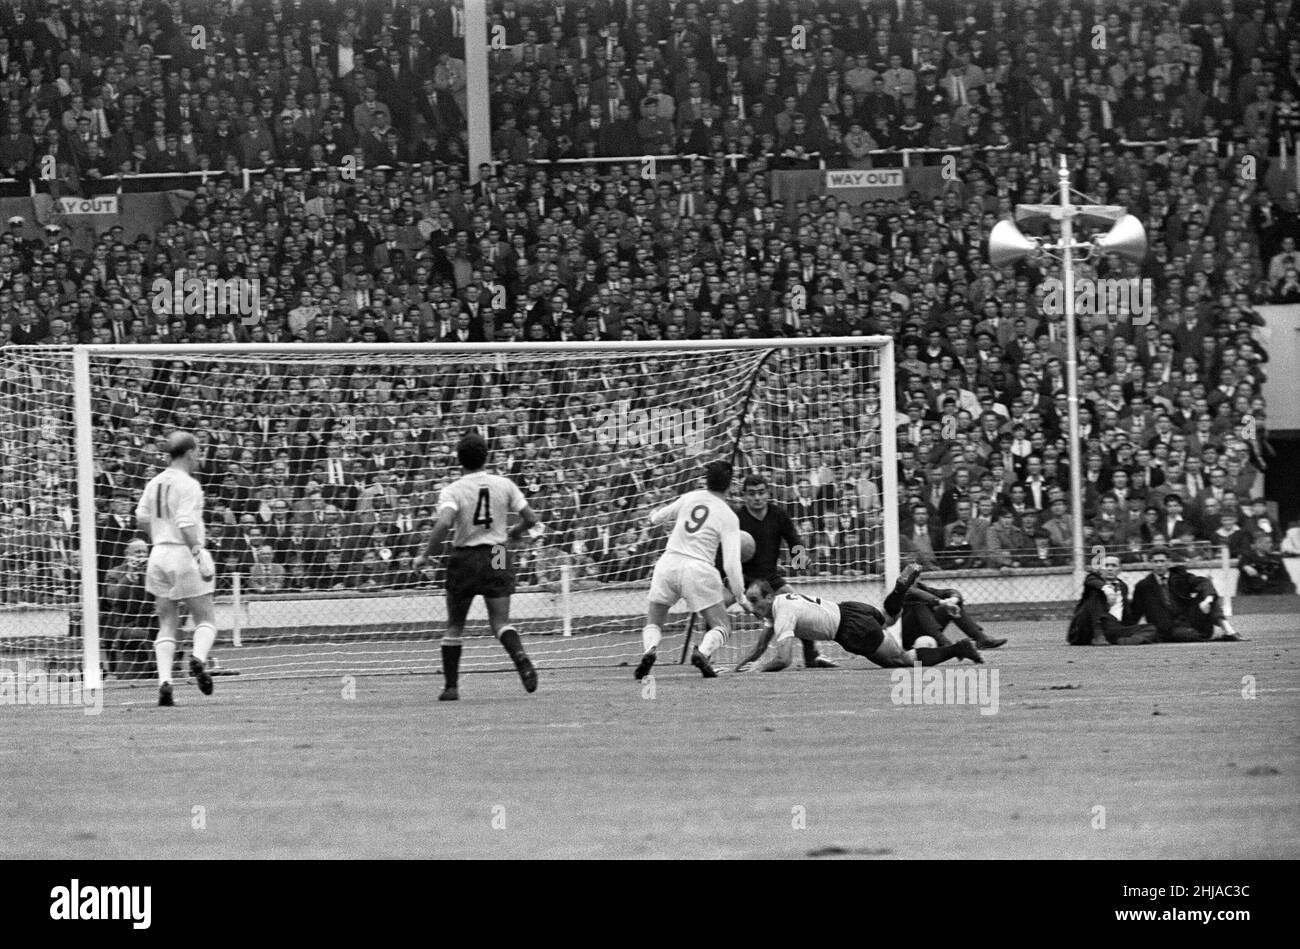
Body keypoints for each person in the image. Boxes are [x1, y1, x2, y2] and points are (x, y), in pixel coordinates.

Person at [412, 431, 541, 702]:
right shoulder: (504, 484)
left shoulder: (453, 489)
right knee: (501, 621)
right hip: (498, 552)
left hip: (466, 556)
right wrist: (515, 533)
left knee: (455, 626)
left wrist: (425, 555)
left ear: (459, 460)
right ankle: (520, 657)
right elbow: (531, 518)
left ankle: (451, 687)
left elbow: (444, 523)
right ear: (487, 456)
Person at [736, 564, 983, 671]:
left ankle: (958, 648)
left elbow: (783, 659)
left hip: (851, 629)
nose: (751, 606)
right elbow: (759, 647)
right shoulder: (779, 607)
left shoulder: (782, 613)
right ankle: (899, 592)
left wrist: (759, 669)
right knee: (888, 619)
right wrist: (739, 667)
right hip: (852, 610)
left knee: (903, 662)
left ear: (769, 598)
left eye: (755, 600)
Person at [635, 459, 748, 680]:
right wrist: (740, 594)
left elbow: (659, 517)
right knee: (722, 625)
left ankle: (649, 651)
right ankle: (702, 653)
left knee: (654, 621)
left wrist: (651, 517)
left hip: (668, 563)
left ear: (706, 480)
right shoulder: (728, 516)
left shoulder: (690, 497)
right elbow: (731, 564)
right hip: (699, 569)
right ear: (730, 484)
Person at [134, 431, 218, 706]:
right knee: (205, 618)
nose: (200, 456)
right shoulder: (189, 484)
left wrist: (159, 535)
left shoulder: (154, 482)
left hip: (158, 554)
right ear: (191, 452)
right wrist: (198, 552)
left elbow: (141, 517)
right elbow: (185, 522)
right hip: (183, 553)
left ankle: (165, 682)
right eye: (199, 451)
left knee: (167, 622)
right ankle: (198, 658)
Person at [729, 473, 835, 668]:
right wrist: (726, 578)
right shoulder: (736, 519)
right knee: (716, 605)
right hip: (741, 578)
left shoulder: (778, 514)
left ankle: (811, 656)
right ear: (743, 495)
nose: (757, 497)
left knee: (798, 603)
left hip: (770, 579)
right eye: (752, 494)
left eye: (761, 492)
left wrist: (800, 559)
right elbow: (724, 551)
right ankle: (705, 655)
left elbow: (793, 538)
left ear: (768, 493)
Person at [1128, 549, 1246, 641]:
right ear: (1150, 563)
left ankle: (1229, 630)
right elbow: (1135, 613)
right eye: (1155, 562)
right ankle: (1210, 636)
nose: (1159, 565)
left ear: (1168, 562)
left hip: (1190, 619)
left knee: (1209, 595)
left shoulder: (1180, 576)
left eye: (1162, 561)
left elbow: (1204, 582)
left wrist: (1207, 600)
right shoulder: (1143, 586)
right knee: (1187, 635)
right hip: (1168, 630)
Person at [1066, 554, 1157, 646]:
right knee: (1096, 595)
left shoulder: (1123, 586)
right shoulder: (1092, 580)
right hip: (1088, 627)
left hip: (1112, 627)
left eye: (1113, 566)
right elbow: (1091, 580)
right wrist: (1107, 589)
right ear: (1101, 569)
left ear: (1119, 569)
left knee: (1150, 628)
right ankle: (1098, 635)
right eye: (1106, 565)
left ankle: (1125, 641)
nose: (1109, 569)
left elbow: (1126, 614)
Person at [899, 581, 1007, 650]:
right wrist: (942, 602)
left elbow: (948, 592)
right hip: (907, 639)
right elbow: (917, 594)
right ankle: (945, 644)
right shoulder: (899, 588)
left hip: (926, 632)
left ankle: (982, 639)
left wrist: (953, 599)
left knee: (954, 604)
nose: (916, 576)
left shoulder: (919, 586)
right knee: (918, 604)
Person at [102, 538, 155, 679]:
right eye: (137, 552)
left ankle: (172, 666)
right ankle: (155, 664)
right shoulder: (114, 573)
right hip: (124, 625)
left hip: (150, 621)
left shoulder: (153, 571)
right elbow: (112, 597)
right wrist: (130, 575)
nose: (141, 555)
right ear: (127, 554)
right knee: (143, 634)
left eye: (144, 552)